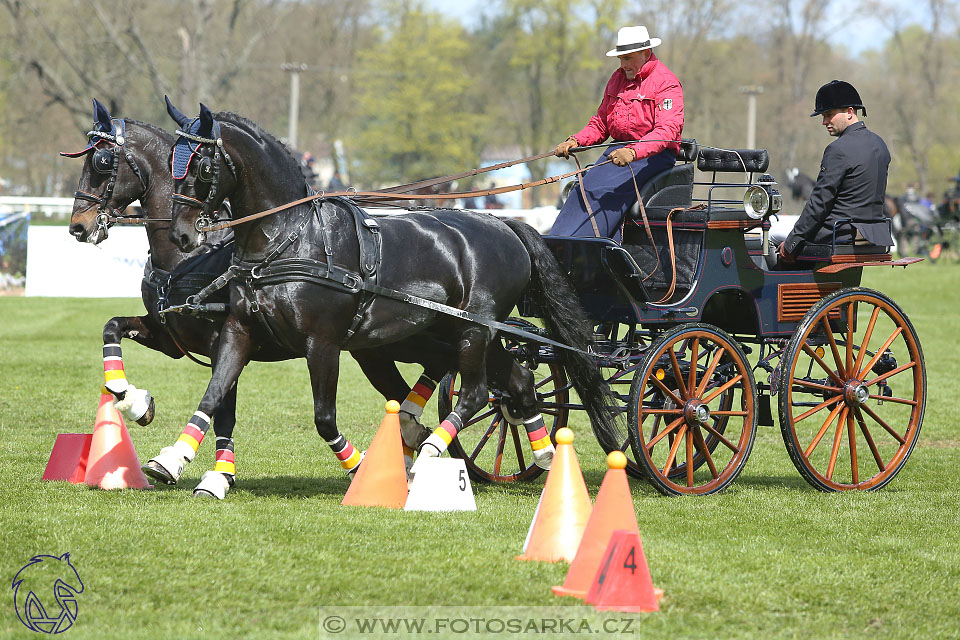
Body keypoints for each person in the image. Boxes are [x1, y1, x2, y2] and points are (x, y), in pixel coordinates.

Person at [550, 25, 683, 241]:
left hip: (652, 157)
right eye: (621, 59)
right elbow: (601, 123)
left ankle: (586, 247)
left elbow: (666, 131)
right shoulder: (617, 79)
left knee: (605, 191)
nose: (623, 65)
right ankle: (559, 243)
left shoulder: (667, 83)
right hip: (619, 152)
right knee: (583, 189)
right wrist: (576, 140)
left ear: (646, 53)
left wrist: (633, 152)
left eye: (628, 58)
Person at [778, 80, 894, 264]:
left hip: (839, 234)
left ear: (849, 112)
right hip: (875, 235)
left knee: (773, 242)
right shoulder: (880, 144)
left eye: (829, 115)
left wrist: (791, 243)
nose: (824, 122)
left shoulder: (838, 150)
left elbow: (819, 203)